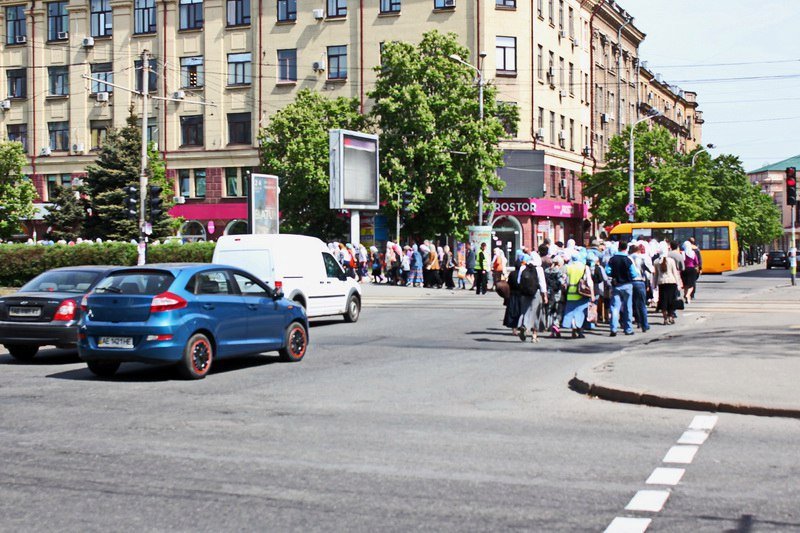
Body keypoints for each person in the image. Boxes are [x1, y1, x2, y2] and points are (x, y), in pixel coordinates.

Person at [606, 240, 637, 337]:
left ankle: (613, 328)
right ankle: (628, 329)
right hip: (627, 285)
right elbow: (634, 273)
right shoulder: (628, 260)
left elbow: (607, 271)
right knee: (628, 307)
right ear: (626, 248)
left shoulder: (612, 259)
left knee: (615, 307)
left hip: (616, 285)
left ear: (618, 247)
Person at [561, 252, 594, 338]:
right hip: (582, 293)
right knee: (580, 312)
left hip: (570, 293)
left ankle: (573, 329)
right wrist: (592, 293)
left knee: (571, 312)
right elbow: (589, 281)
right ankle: (579, 329)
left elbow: (563, 280)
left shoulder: (568, 267)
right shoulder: (584, 267)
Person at [518, 253, 548, 343]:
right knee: (535, 313)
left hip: (524, 292)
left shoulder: (523, 267)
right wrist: (545, 295)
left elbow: (518, 281)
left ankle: (524, 325)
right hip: (536, 292)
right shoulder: (539, 269)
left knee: (525, 310)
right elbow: (542, 283)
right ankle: (534, 335)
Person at [654, 248, 683, 324]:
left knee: (663, 301)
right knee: (671, 301)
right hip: (672, 282)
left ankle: (665, 319)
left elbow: (655, 275)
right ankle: (671, 317)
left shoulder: (656, 261)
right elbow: (675, 273)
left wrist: (654, 285)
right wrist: (678, 284)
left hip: (661, 283)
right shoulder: (671, 261)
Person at [504, 254, 529, 336]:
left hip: (512, 295)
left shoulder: (512, 274)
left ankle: (514, 329)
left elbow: (508, 284)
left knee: (512, 312)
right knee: (521, 312)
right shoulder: (523, 274)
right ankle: (522, 326)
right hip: (521, 295)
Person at [628, 244, 650, 333]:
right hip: (639, 281)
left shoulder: (627, 258)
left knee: (631, 304)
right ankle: (644, 324)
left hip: (629, 282)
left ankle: (633, 322)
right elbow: (649, 269)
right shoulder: (641, 258)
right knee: (642, 304)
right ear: (638, 250)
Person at [544, 256, 567, 337]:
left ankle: (551, 329)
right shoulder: (559, 271)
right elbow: (562, 282)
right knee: (558, 310)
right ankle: (556, 325)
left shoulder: (546, 270)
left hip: (549, 293)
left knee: (550, 310)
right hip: (558, 293)